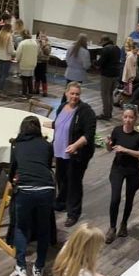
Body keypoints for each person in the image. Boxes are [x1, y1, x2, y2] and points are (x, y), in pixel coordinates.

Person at [8, 116, 56, 276]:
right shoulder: (47, 145)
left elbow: (12, 170)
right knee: (44, 229)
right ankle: (39, 267)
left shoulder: (17, 145)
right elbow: (47, 165)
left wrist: (13, 182)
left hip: (25, 190)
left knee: (21, 227)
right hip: (46, 190)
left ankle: (21, 266)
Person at [49, 82, 96, 227]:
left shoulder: (85, 111)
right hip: (60, 151)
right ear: (66, 93)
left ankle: (73, 213)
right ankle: (61, 202)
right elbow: (58, 124)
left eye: (77, 94)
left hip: (77, 154)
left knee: (74, 182)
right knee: (61, 178)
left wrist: (76, 145)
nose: (74, 96)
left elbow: (89, 134)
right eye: (72, 93)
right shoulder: (62, 107)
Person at [105, 108, 139, 243]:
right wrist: (108, 144)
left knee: (129, 198)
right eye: (125, 117)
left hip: (132, 171)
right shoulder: (117, 131)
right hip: (118, 168)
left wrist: (126, 150)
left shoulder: (138, 136)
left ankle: (123, 224)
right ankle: (112, 228)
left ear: (135, 119)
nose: (128, 120)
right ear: (122, 118)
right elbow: (110, 149)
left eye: (131, 117)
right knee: (114, 198)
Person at [97, 36, 121, 120]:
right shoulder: (117, 48)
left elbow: (100, 62)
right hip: (116, 74)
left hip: (107, 75)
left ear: (104, 41)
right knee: (110, 94)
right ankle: (109, 112)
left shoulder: (105, 49)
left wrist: (95, 63)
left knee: (105, 94)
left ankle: (106, 114)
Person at [0, 20, 15, 94]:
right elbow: (10, 50)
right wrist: (16, 53)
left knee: (1, 74)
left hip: (0, 56)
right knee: (4, 75)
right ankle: (0, 89)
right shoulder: (9, 36)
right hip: (6, 58)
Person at [15, 32, 39, 98]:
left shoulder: (22, 43)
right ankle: (30, 92)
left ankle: (24, 93)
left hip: (25, 63)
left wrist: (17, 59)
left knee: (24, 78)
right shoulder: (35, 43)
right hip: (33, 63)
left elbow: (18, 53)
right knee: (30, 78)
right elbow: (37, 53)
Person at [34, 32, 52, 97]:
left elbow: (47, 52)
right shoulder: (36, 43)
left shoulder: (48, 44)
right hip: (37, 61)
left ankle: (45, 91)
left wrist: (44, 45)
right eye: (41, 36)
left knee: (43, 76)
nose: (42, 38)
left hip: (43, 62)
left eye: (44, 36)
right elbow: (36, 52)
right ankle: (36, 89)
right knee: (37, 75)